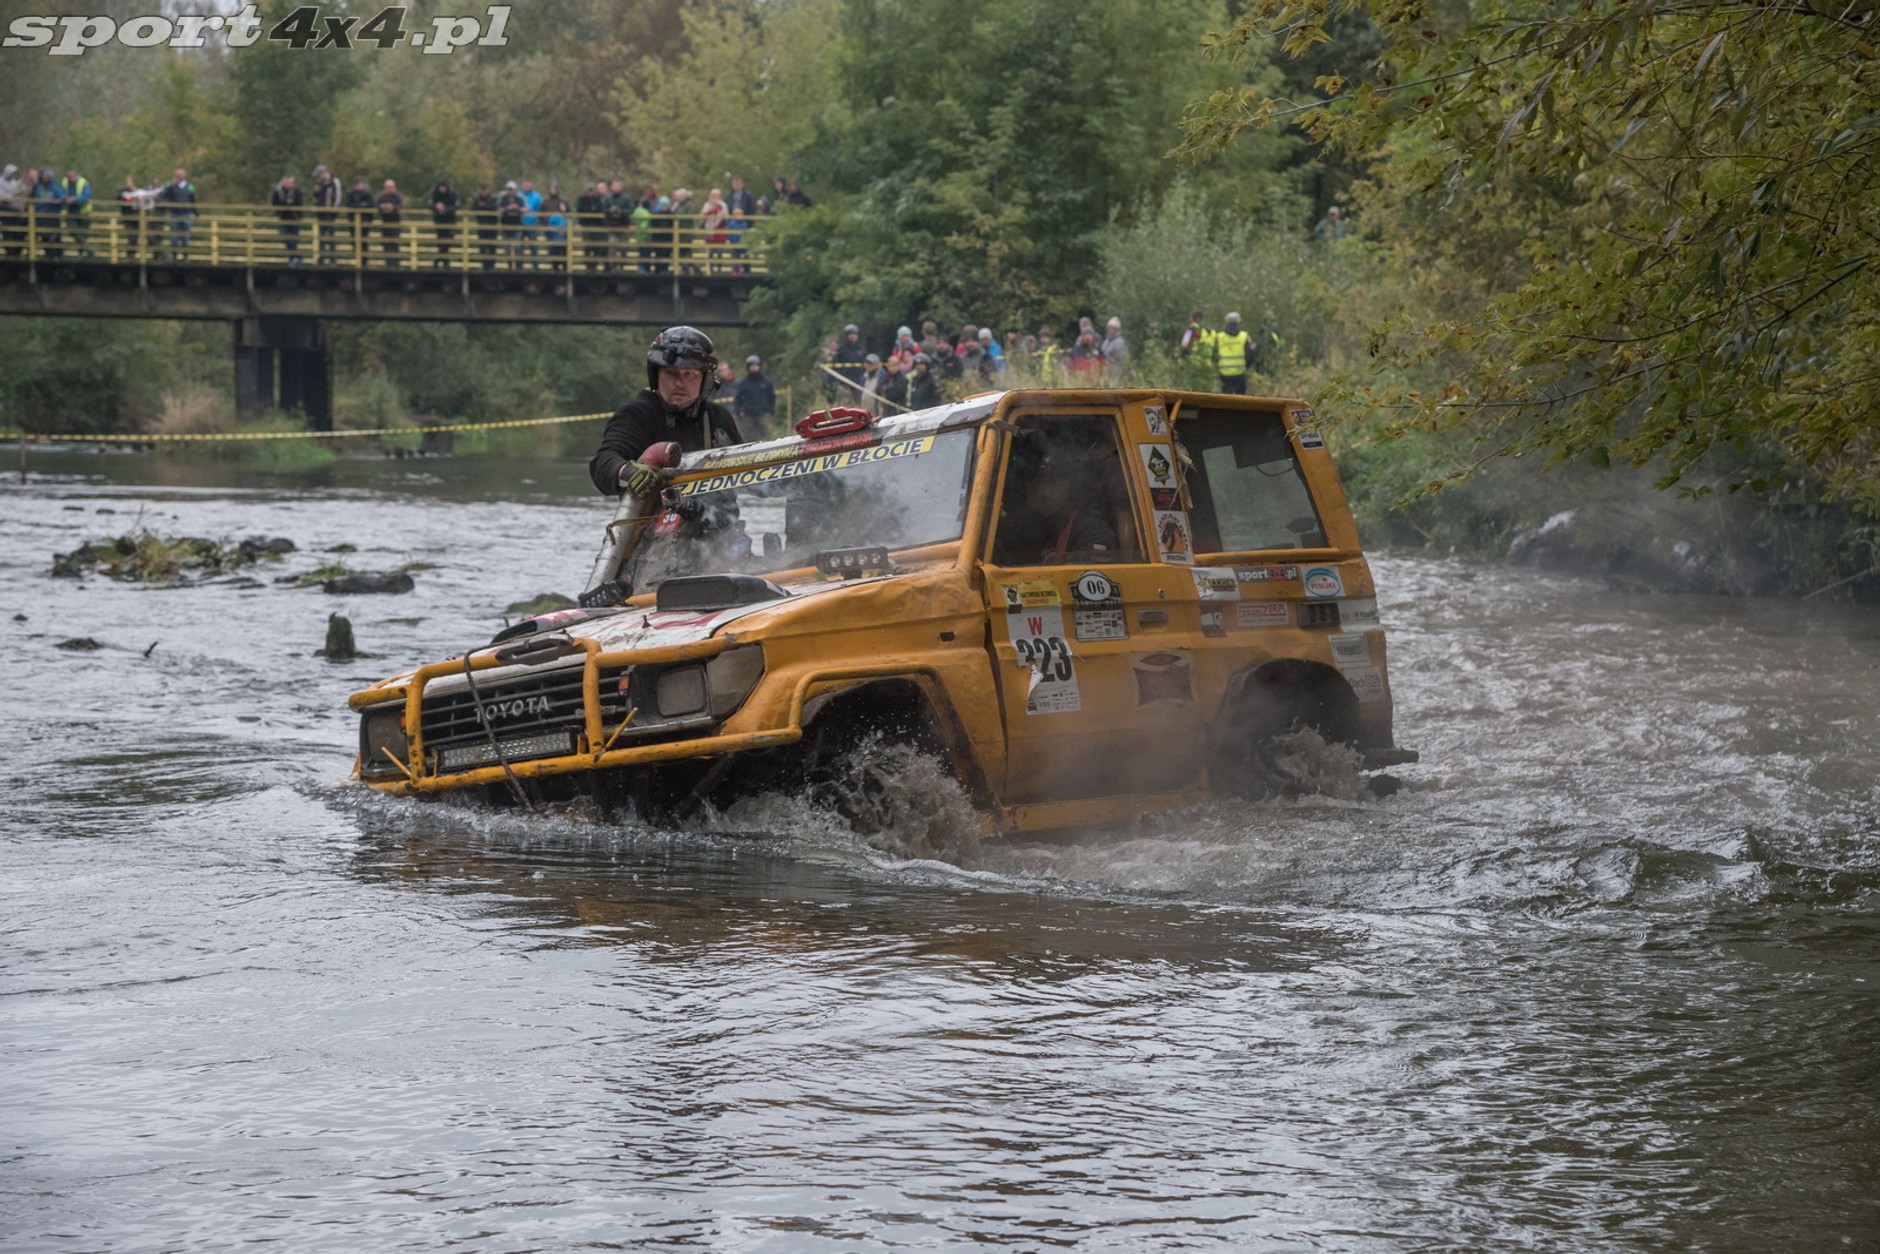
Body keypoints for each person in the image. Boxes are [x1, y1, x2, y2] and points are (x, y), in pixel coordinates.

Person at [590, 325, 744, 496]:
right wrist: (628, 472)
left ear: (705, 380)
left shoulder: (718, 417)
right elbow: (604, 462)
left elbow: (749, 471)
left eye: (689, 375)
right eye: (671, 373)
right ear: (656, 376)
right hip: (655, 519)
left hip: (719, 520)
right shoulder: (637, 414)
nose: (679, 383)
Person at [996, 438, 1120, 565]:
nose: (1046, 493)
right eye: (1038, 482)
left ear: (1070, 486)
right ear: (1026, 487)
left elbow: (1090, 578)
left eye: (1055, 482)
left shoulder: (1091, 531)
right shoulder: (1013, 527)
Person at [155, 166, 196, 259]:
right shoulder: (170, 185)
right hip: (174, 213)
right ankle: (174, 257)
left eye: (181, 174)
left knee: (185, 237)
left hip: (186, 213)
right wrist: (171, 185)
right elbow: (162, 195)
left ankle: (185, 257)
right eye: (178, 174)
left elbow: (192, 200)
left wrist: (196, 213)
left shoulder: (189, 186)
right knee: (174, 237)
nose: (179, 176)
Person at [1213, 311, 1254, 394]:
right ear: (1238, 322)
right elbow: (1250, 355)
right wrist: (1246, 367)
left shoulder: (1219, 337)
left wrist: (1217, 368)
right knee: (1240, 400)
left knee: (1226, 399)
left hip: (1224, 374)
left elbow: (1214, 355)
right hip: (1240, 373)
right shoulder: (1244, 336)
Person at [733, 354, 776, 435]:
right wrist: (738, 411)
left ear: (759, 366)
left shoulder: (766, 382)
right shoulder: (743, 383)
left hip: (764, 414)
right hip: (748, 415)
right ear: (748, 367)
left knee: (768, 437)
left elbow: (772, 397)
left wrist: (771, 410)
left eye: (755, 365)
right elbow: (738, 398)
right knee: (748, 440)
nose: (754, 367)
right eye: (751, 366)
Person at [829, 323, 868, 400]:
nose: (853, 336)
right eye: (850, 334)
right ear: (846, 335)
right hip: (843, 383)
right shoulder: (841, 349)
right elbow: (834, 366)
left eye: (855, 334)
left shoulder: (861, 349)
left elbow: (865, 364)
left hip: (858, 382)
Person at [271, 173, 304, 263]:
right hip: (283, 217)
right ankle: (297, 255)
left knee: (293, 238)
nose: (287, 183)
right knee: (284, 236)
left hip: (294, 217)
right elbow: (275, 203)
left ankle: (292, 259)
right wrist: (286, 204)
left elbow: (299, 203)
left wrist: (291, 204)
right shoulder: (278, 191)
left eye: (289, 181)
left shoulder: (296, 191)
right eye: (285, 181)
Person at [311, 164, 341, 261]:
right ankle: (322, 257)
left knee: (330, 235)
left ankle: (333, 258)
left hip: (330, 212)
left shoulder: (334, 181)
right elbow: (319, 197)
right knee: (322, 235)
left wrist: (333, 209)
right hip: (321, 212)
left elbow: (337, 197)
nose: (319, 177)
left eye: (319, 174)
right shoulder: (321, 183)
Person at [60, 167, 92, 257]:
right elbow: (61, 193)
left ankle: (82, 255)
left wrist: (74, 199)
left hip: (83, 213)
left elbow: (86, 197)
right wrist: (65, 199)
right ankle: (88, 249)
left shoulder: (83, 183)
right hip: (71, 212)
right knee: (73, 231)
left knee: (82, 234)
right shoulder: (65, 182)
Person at [428, 178, 459, 268]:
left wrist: (445, 209)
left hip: (450, 221)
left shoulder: (452, 194)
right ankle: (445, 262)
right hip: (439, 221)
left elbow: (456, 205)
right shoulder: (435, 194)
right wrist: (436, 207)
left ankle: (437, 260)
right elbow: (429, 204)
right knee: (441, 241)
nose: (442, 189)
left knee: (448, 240)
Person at [344, 176, 374, 257]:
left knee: (363, 240)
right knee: (354, 241)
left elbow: (370, 205)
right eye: (357, 184)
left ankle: (364, 260)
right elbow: (349, 205)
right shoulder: (350, 194)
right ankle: (357, 258)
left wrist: (359, 206)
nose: (359, 186)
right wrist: (360, 205)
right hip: (353, 221)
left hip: (365, 221)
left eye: (361, 184)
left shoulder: (367, 194)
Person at [376, 178, 404, 266]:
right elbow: (376, 205)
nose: (389, 189)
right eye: (387, 187)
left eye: (391, 187)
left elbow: (400, 206)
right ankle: (388, 263)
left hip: (395, 223)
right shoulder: (382, 196)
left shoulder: (398, 196)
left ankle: (395, 263)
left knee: (395, 243)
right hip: (385, 223)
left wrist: (392, 207)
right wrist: (383, 207)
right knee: (386, 243)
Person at [470, 183, 498, 269]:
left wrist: (483, 206)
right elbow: (473, 208)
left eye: (485, 190)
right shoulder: (476, 199)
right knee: (482, 247)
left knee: (492, 247)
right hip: (481, 226)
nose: (483, 192)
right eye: (482, 190)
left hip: (492, 227)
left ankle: (492, 266)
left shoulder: (493, 198)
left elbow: (494, 208)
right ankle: (484, 265)